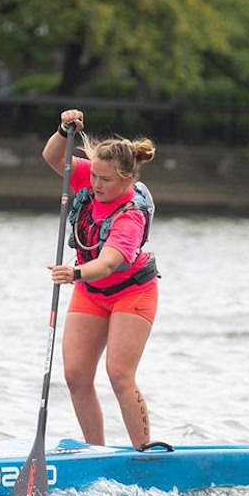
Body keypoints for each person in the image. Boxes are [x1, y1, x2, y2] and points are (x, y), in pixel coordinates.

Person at [42, 109, 160, 449]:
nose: (95, 184)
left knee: (119, 375)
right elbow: (51, 156)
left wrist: (74, 272)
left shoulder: (130, 215)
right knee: (76, 376)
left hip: (132, 292)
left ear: (126, 179)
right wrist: (64, 130)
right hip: (92, 292)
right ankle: (97, 452)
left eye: (105, 180)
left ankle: (145, 453)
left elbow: (108, 263)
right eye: (93, 176)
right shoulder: (91, 179)